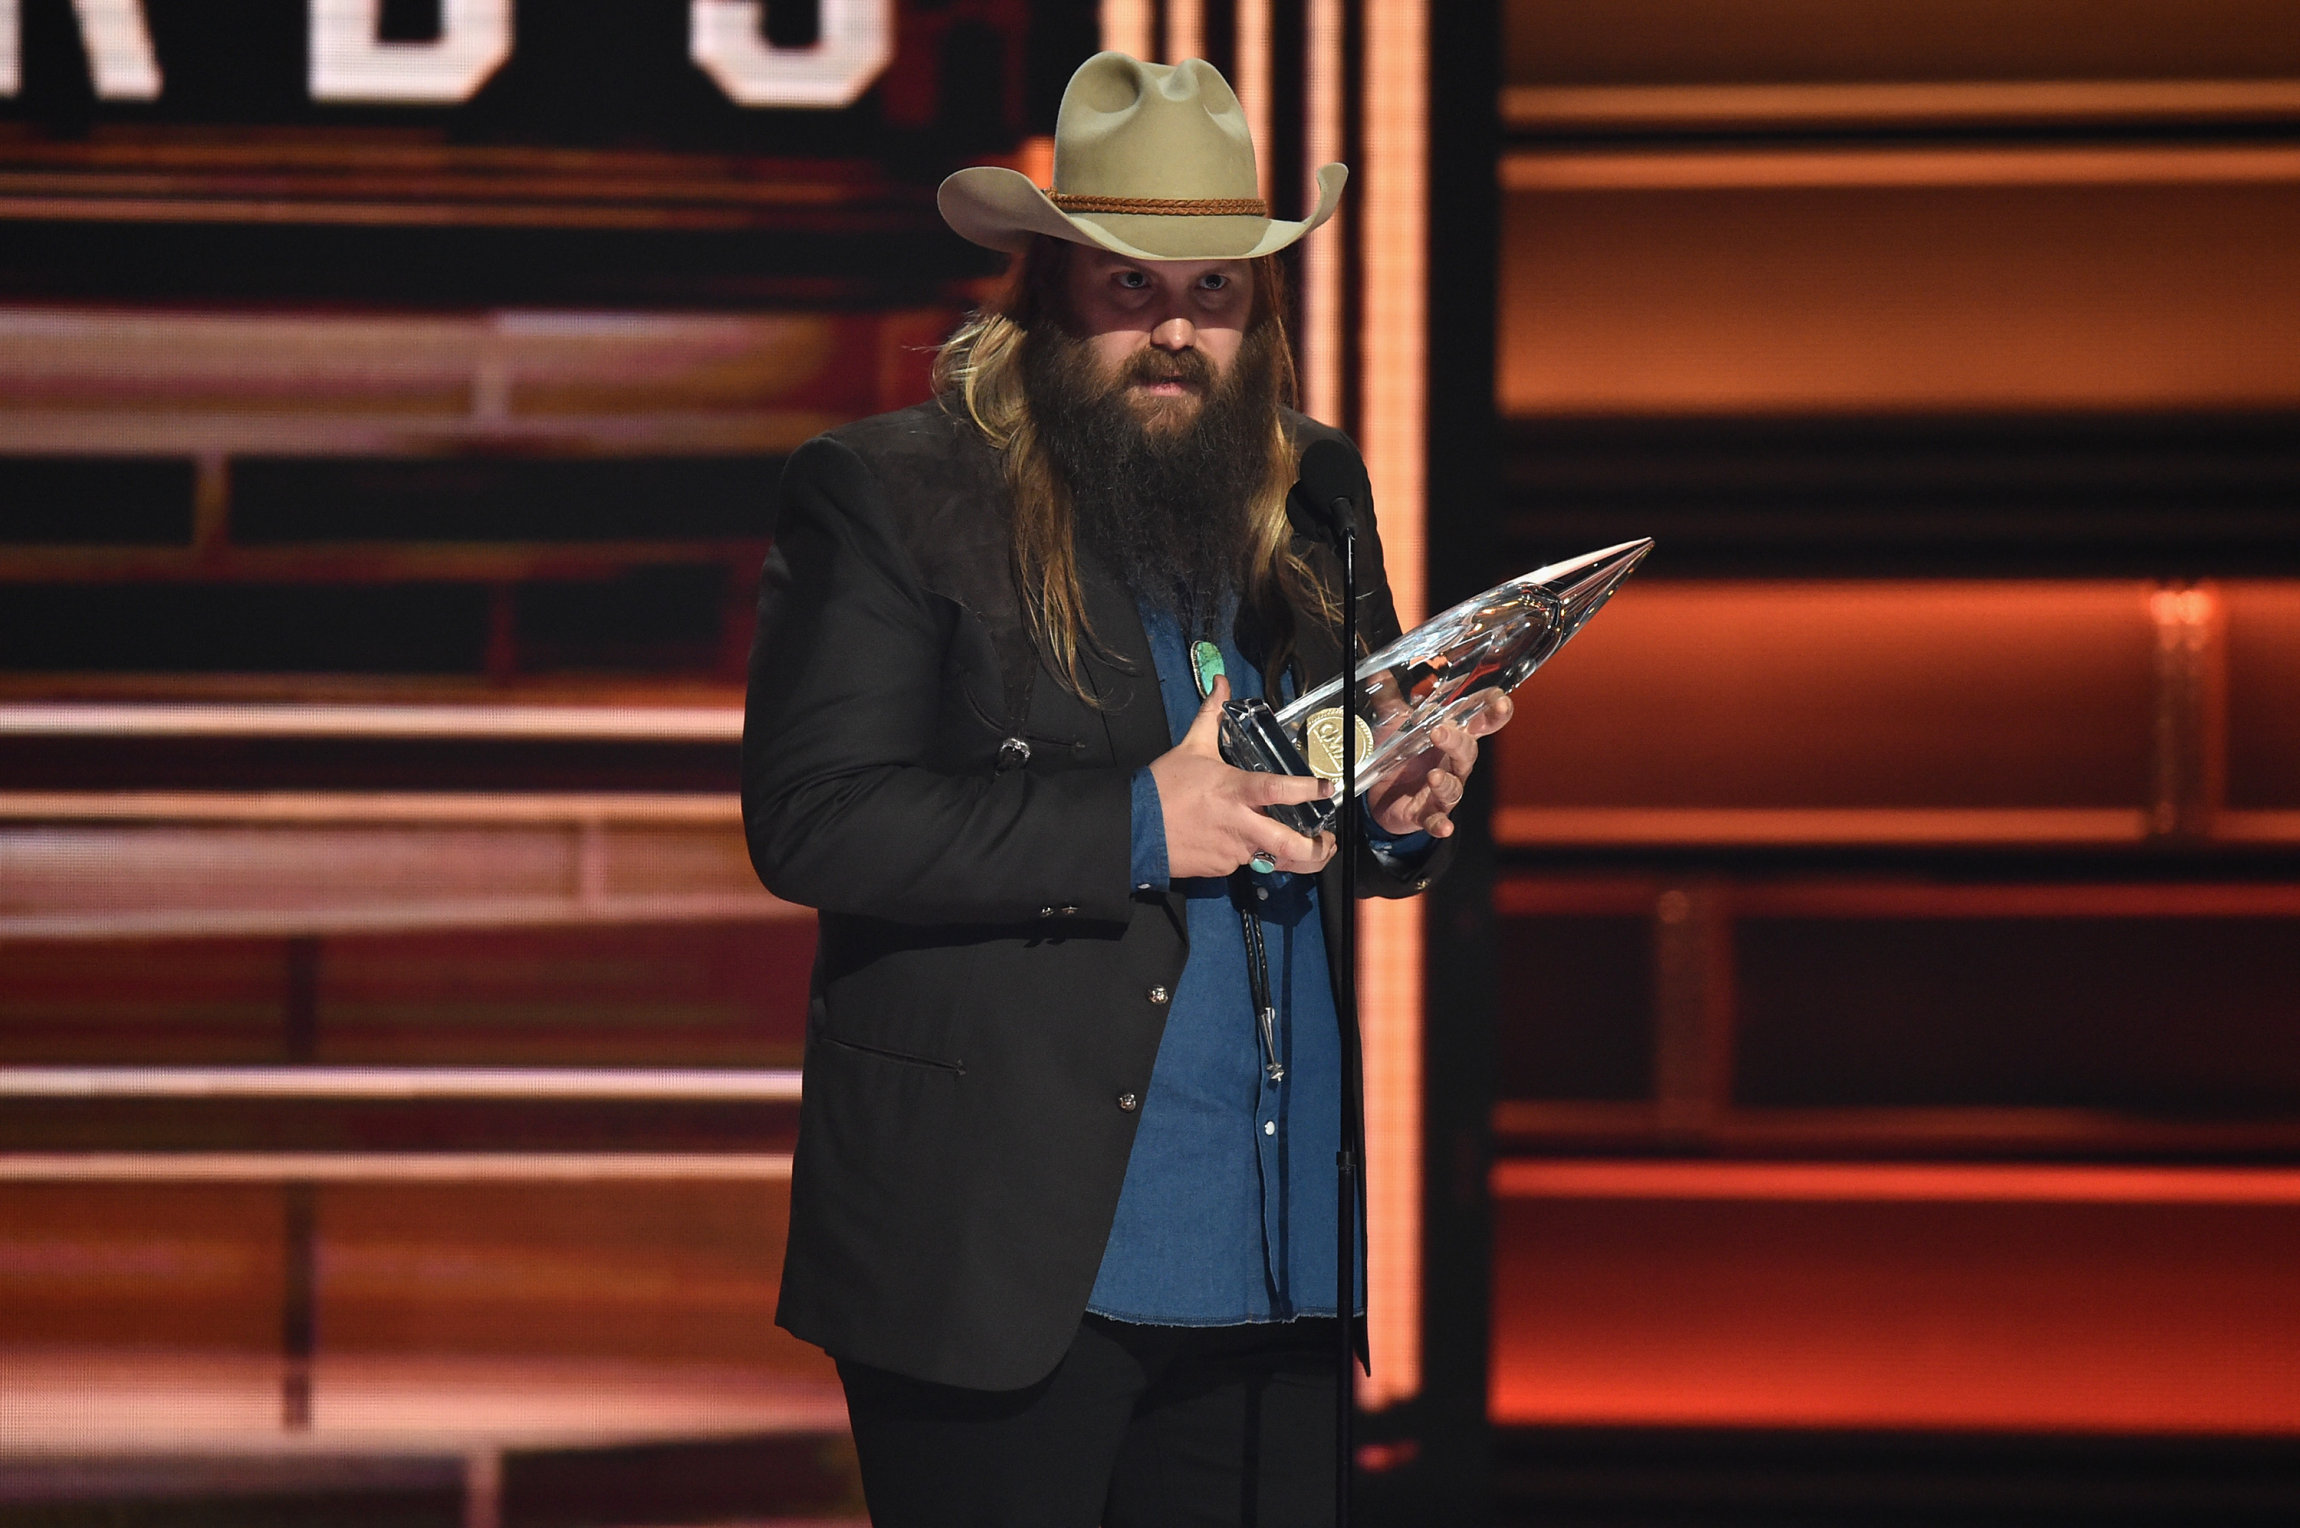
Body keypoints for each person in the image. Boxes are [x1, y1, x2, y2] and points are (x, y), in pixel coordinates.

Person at [741, 50, 1512, 1528]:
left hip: (1270, 1249)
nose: (1175, 331)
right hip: (1001, 1254)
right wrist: (1143, 821)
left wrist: (1403, 816)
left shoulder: (1317, 489)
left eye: (1213, 294)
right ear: (1046, 292)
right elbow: (815, 815)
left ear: (1260, 311)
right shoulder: (892, 490)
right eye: (1130, 288)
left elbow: (1332, 791)